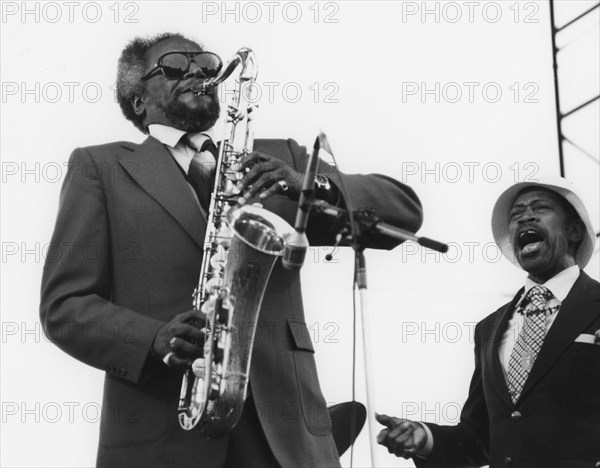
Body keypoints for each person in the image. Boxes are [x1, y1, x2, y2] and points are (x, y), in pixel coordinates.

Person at [39, 33, 423, 468]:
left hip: (286, 439)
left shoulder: (280, 159)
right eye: (175, 65)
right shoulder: (100, 167)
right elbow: (65, 306)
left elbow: (404, 216)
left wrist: (309, 184)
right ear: (139, 99)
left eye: (205, 63)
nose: (199, 71)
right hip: (167, 435)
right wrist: (152, 339)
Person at [376, 176, 599, 467]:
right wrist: (425, 438)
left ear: (572, 230)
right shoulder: (489, 329)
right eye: (516, 214)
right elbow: (480, 437)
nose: (525, 217)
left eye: (540, 208)